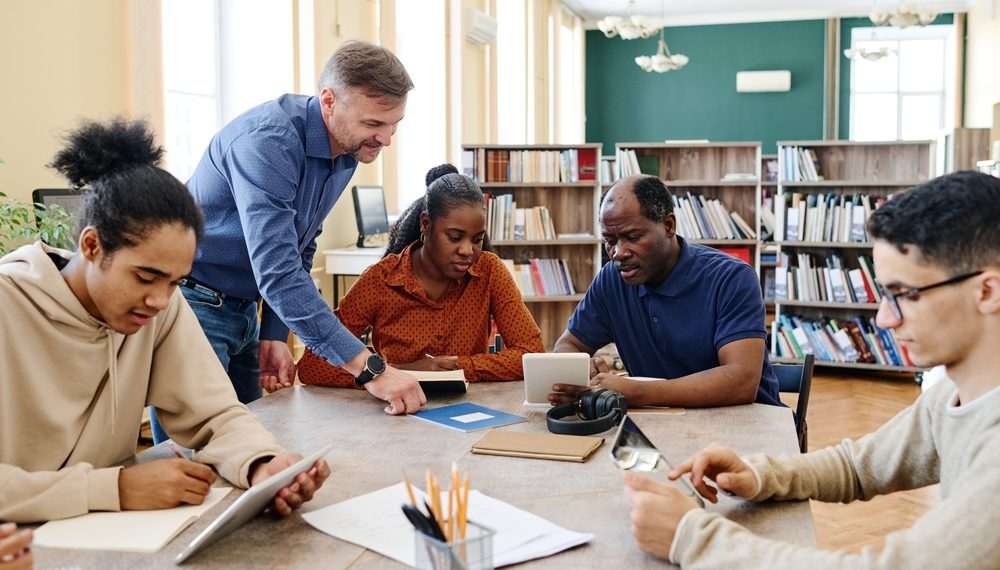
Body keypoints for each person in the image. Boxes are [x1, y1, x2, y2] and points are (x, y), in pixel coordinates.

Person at [624, 171, 1000, 568]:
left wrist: (691, 537)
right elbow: (858, 466)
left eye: (904, 295)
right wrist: (760, 474)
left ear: (987, 291)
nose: (885, 319)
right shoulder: (954, 393)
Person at [0, 119, 328, 523]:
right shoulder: (9, 305)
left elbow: (214, 415)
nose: (159, 300)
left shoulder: (158, 308)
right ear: (91, 245)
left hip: (104, 533)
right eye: (145, 276)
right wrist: (113, 487)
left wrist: (263, 465)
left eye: (176, 282)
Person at [148, 41, 426, 443]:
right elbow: (278, 271)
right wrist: (370, 370)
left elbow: (301, 244)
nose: (385, 139)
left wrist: (274, 333)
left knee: (249, 448)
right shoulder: (268, 143)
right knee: (191, 459)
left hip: (244, 307)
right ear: (329, 101)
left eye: (393, 125)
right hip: (194, 304)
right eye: (373, 125)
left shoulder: (347, 149)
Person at [295, 164, 544, 387]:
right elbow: (312, 366)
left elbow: (531, 353)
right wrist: (397, 373)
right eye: (455, 237)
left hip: (469, 412)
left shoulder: (489, 270)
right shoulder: (380, 280)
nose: (468, 250)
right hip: (395, 412)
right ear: (426, 224)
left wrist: (457, 367)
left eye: (477, 239)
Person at [549, 175, 781, 408]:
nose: (618, 252)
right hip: (661, 423)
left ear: (669, 226)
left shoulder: (732, 278)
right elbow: (568, 345)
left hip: (745, 425)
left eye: (632, 237)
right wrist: (580, 369)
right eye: (609, 240)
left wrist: (636, 392)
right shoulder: (611, 280)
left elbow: (741, 382)